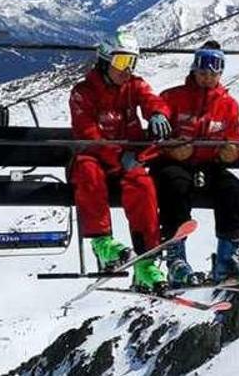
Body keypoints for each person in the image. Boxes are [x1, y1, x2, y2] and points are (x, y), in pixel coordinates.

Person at [69, 29, 172, 291]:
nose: (127, 70)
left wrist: (158, 113)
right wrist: (118, 156)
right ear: (104, 61)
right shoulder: (83, 93)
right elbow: (88, 133)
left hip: (127, 162)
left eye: (131, 63)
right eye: (121, 62)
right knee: (87, 173)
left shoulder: (133, 86)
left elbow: (151, 99)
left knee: (143, 186)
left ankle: (146, 260)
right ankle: (103, 244)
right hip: (95, 159)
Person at [152, 41, 239, 284]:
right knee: (174, 185)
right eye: (202, 73)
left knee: (235, 190)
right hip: (175, 164)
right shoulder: (173, 97)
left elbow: (233, 139)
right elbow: (157, 133)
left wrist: (230, 153)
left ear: (220, 74)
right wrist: (172, 146)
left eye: (212, 74)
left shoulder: (228, 105)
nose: (207, 78)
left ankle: (227, 256)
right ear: (194, 71)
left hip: (209, 165)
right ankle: (176, 257)